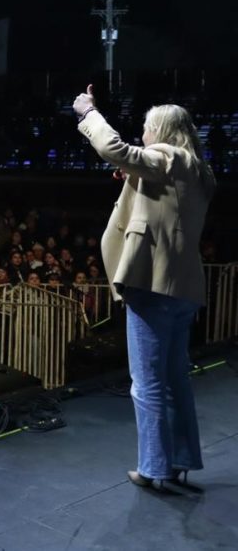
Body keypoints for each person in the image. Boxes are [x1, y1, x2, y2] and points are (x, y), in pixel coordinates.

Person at [73, 86, 215, 490]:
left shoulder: (169, 157)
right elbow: (162, 205)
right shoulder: (198, 169)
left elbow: (116, 148)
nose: (144, 135)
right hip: (183, 287)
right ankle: (180, 460)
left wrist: (89, 113)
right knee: (175, 379)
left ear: (164, 132)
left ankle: (154, 468)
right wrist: (135, 176)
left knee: (147, 383)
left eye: (147, 129)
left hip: (152, 286)